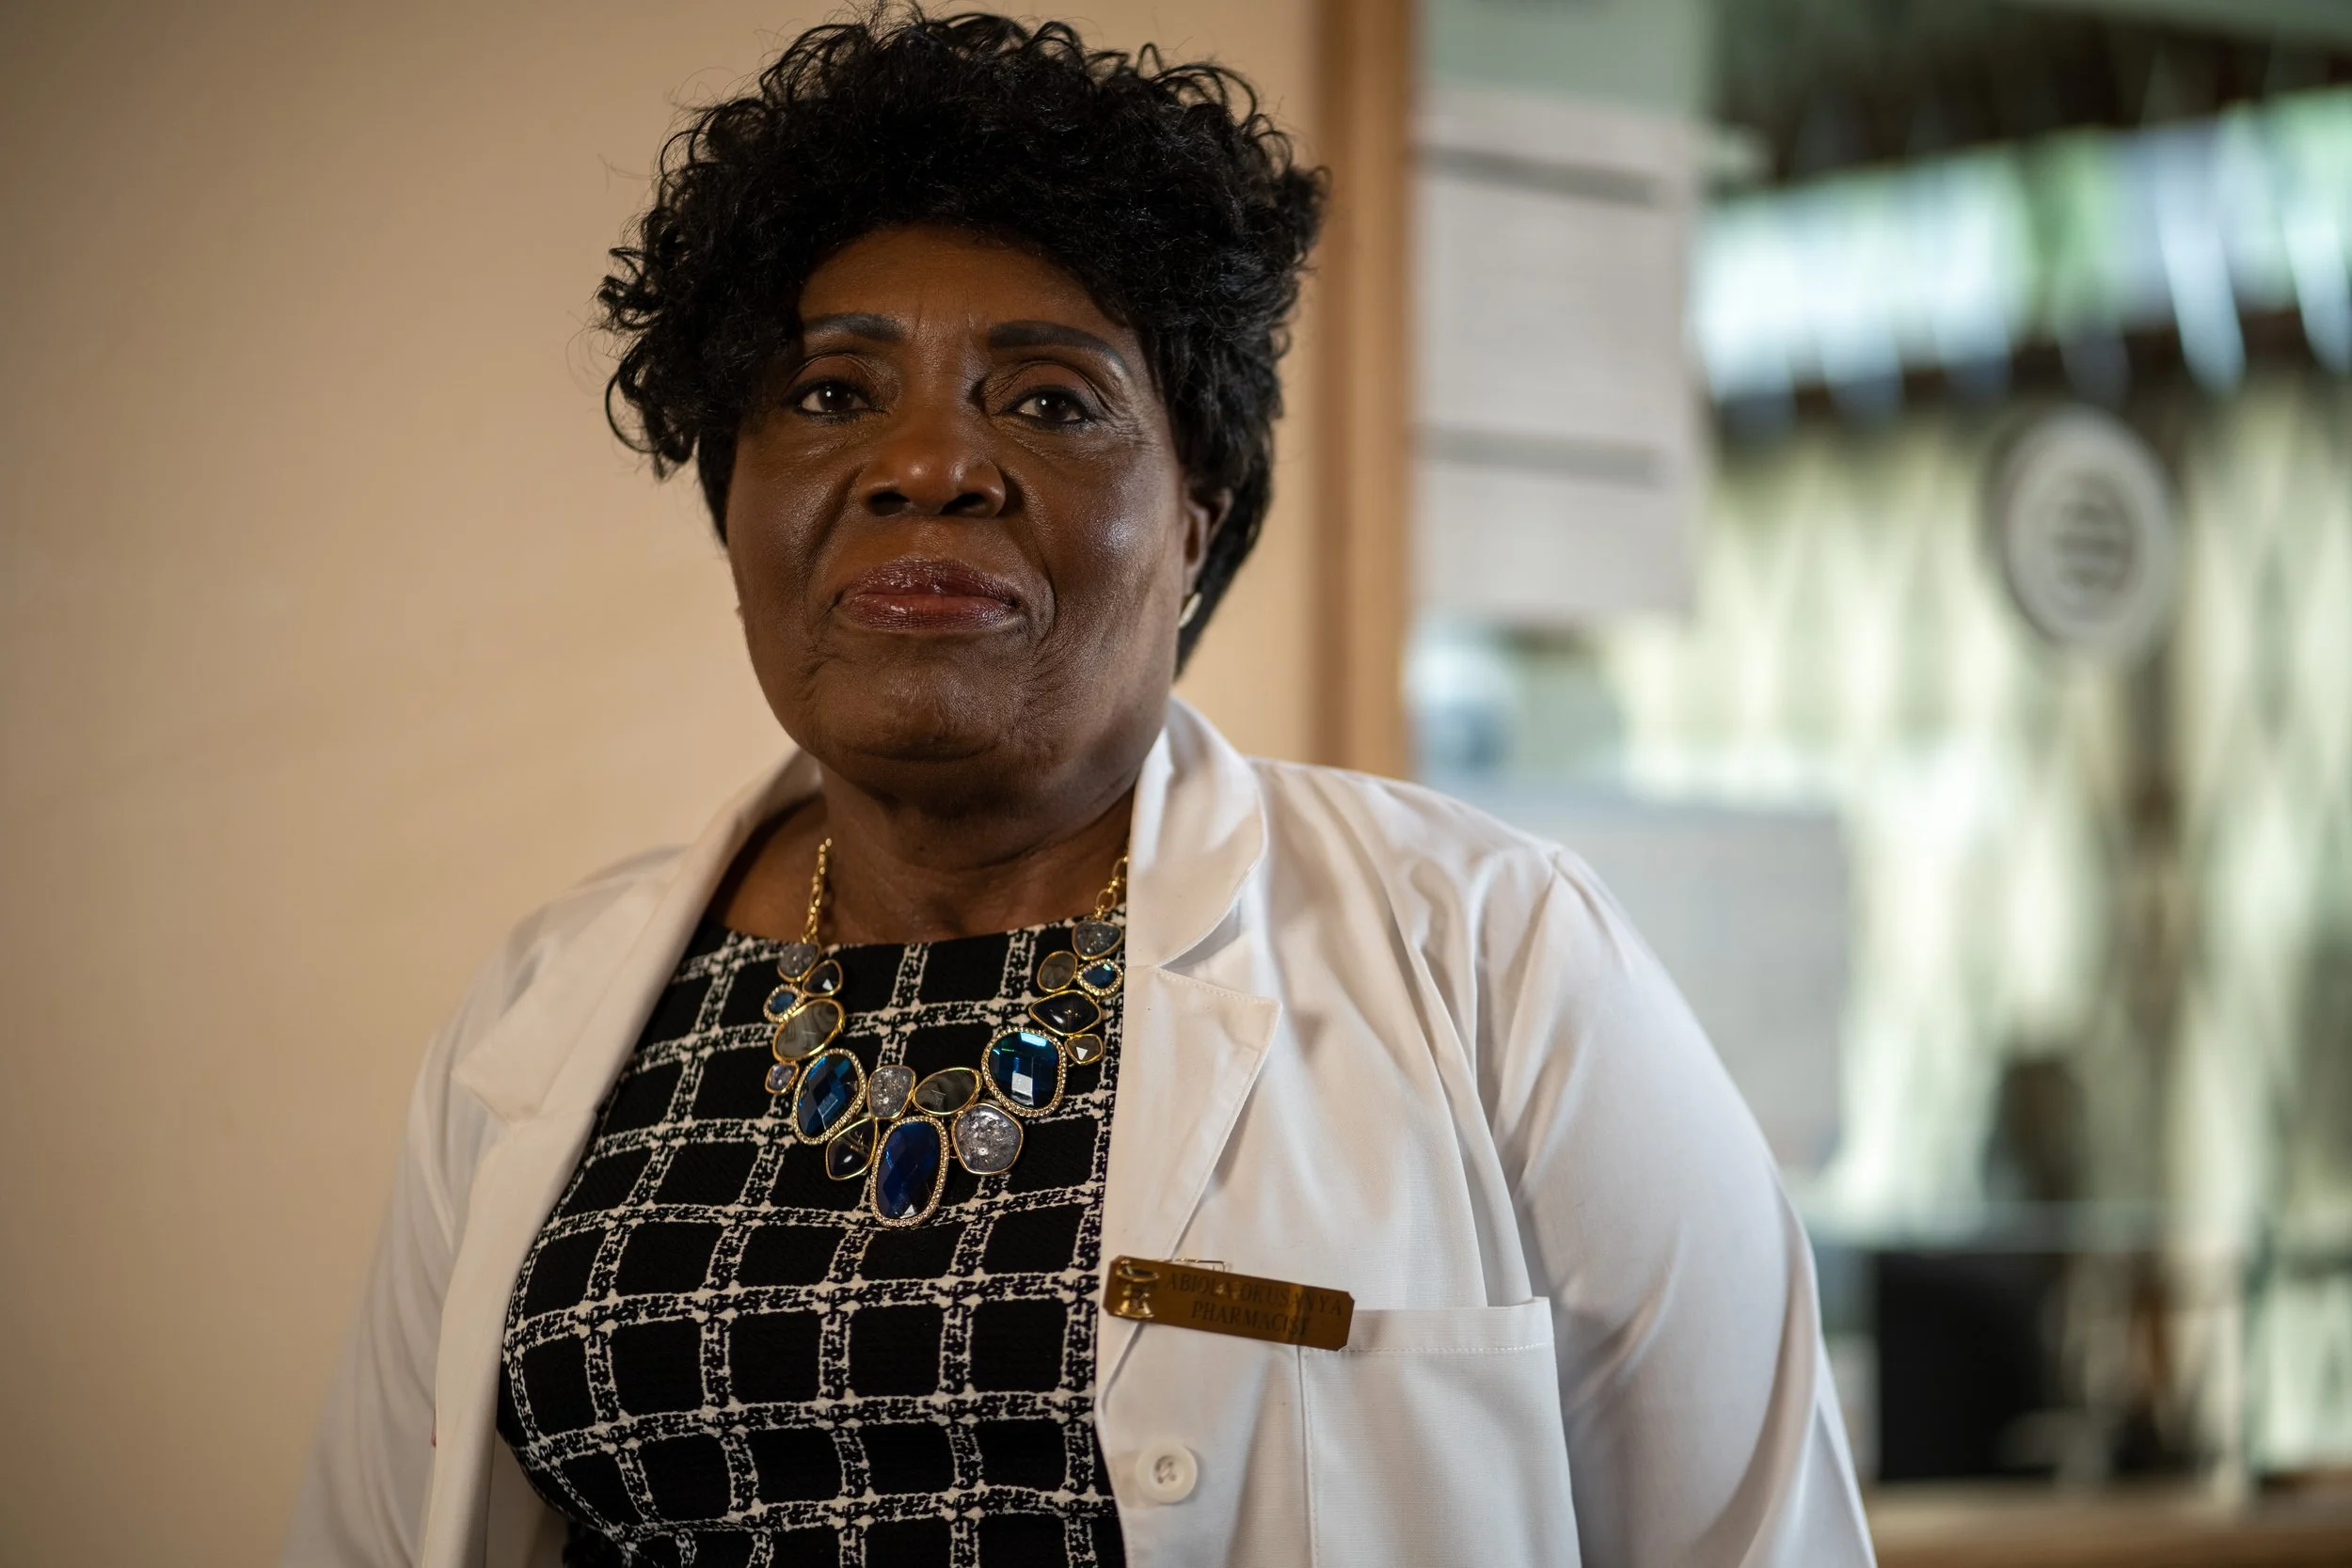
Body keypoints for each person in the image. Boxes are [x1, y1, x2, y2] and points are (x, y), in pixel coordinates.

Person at [285, 11, 1872, 1567]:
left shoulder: (1492, 953)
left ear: (1198, 519)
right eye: (831, 394)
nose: (930, 462)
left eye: (1048, 400)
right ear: (737, 506)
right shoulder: (547, 1009)